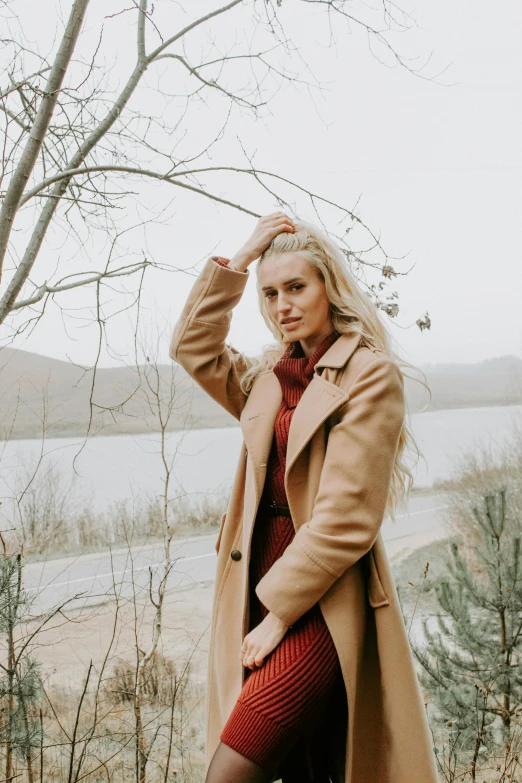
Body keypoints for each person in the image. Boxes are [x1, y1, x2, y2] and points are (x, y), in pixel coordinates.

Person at [169, 213, 439, 783]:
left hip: (320, 604)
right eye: (269, 294)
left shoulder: (368, 375)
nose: (281, 305)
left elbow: (345, 519)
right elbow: (193, 347)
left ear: (328, 286)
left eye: (296, 287)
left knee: (231, 770)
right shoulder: (265, 379)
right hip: (253, 590)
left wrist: (279, 618)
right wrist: (238, 262)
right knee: (306, 767)